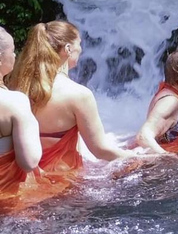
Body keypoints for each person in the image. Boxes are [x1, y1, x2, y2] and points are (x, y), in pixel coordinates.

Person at [9, 21, 134, 181]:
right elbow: (100, 149)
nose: (81, 49)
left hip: (24, 181)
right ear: (68, 49)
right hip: (63, 185)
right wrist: (140, 158)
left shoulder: (17, 87)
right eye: (79, 44)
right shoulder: (78, 94)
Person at [136, 48, 178, 154]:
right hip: (167, 166)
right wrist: (168, 157)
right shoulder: (170, 101)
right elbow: (143, 136)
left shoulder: (172, 96)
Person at [0, 27, 42, 196]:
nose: (15, 55)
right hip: (6, 199)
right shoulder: (15, 101)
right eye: (12, 50)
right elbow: (29, 162)